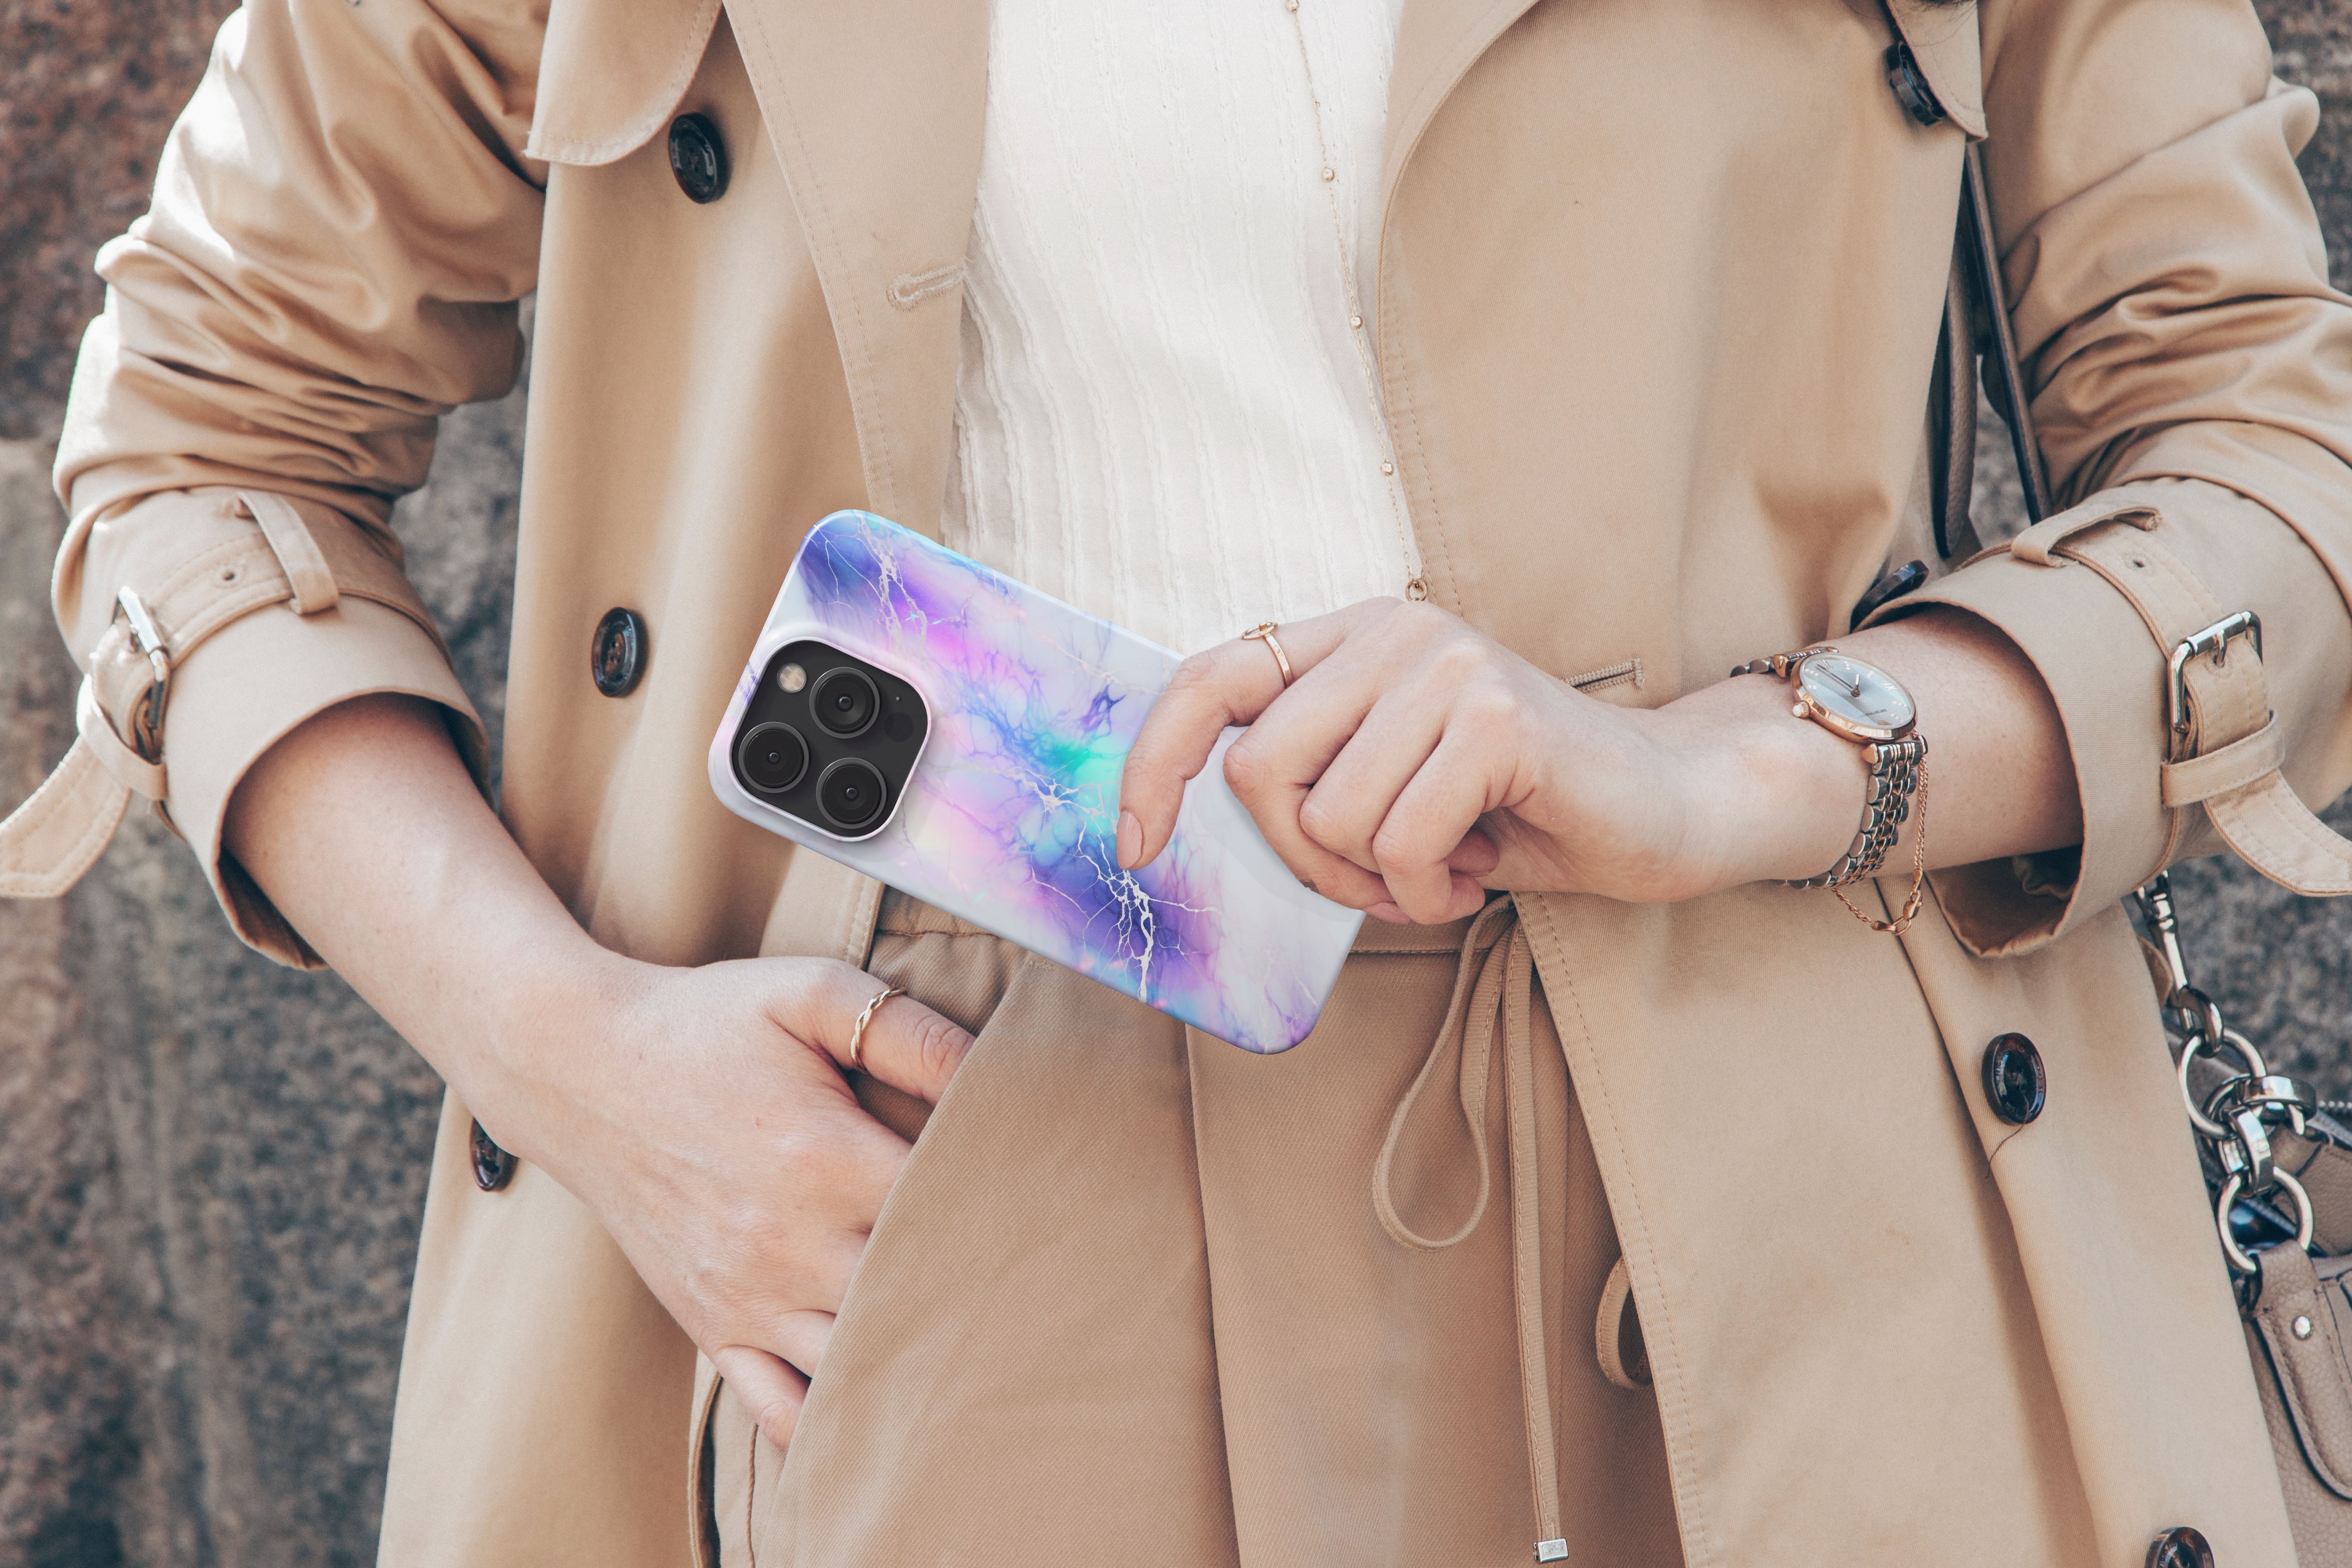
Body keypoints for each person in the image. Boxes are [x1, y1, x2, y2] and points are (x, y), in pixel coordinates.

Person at [8, 0, 2352, 1560]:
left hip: (1778, 1214)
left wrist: (1740, 766)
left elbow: (2273, 442)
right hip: (915, 1202)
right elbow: (203, 439)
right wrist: (589, 1070)